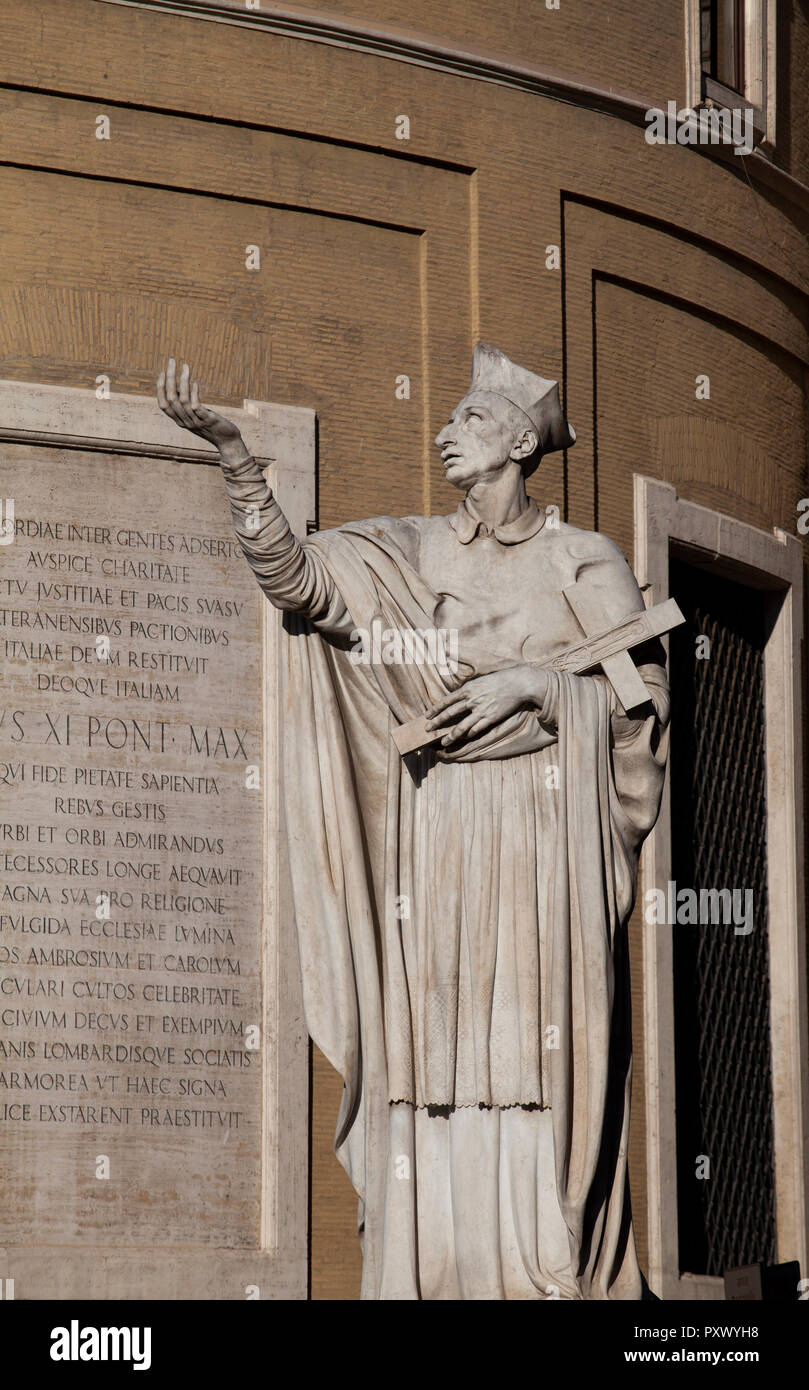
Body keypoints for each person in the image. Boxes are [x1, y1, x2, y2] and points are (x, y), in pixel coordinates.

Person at [158, 345, 670, 1300]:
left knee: (527, 1043)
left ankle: (538, 1264)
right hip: (433, 829)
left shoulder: (581, 559)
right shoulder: (405, 552)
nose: (444, 432)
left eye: (470, 420)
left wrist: (540, 685)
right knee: (432, 1043)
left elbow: (637, 704)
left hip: (537, 836)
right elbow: (299, 584)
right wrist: (234, 457)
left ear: (520, 441)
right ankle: (434, 1263)